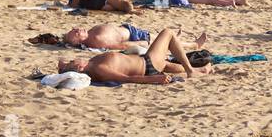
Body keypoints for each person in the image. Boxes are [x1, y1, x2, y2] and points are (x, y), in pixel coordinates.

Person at [56, 28, 208, 85]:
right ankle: (190, 70)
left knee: (170, 66)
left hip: (146, 63)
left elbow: (62, 66)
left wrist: (63, 67)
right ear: (79, 67)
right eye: (72, 61)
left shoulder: (92, 63)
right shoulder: (99, 68)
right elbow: (126, 78)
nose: (73, 59)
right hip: (148, 66)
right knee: (167, 33)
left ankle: (201, 71)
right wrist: (155, 79)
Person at [63, 22, 207, 52]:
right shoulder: (97, 40)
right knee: (166, 40)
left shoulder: (91, 35)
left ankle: (178, 38)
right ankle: (193, 45)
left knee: (164, 37)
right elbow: (121, 46)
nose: (77, 28)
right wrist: (141, 43)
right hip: (134, 36)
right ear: (79, 40)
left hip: (130, 30)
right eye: (76, 32)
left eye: (74, 28)